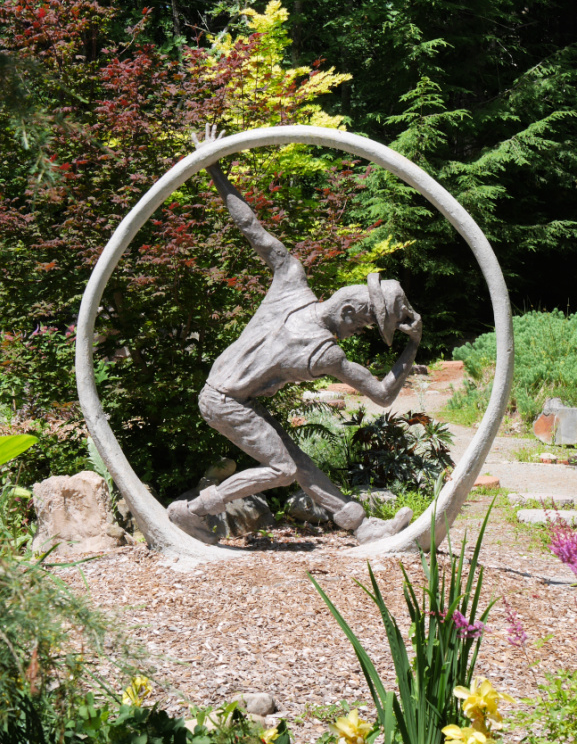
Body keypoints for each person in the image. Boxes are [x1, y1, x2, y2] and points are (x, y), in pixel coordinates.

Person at [168, 126, 422, 545]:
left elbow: (250, 226)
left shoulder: (291, 280)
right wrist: (412, 346)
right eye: (361, 324)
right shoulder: (325, 354)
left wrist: (213, 165)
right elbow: (381, 394)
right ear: (348, 310)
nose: (357, 332)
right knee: (284, 469)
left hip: (231, 394)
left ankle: (360, 525)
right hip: (225, 401)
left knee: (297, 462)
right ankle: (192, 511)